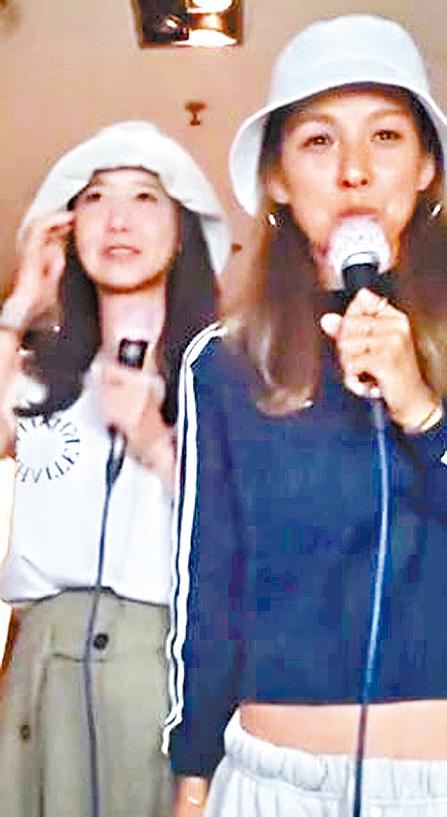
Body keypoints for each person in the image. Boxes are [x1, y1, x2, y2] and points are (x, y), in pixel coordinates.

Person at [165, 14, 447, 817]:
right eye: (318, 142)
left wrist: (420, 409)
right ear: (278, 179)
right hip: (273, 779)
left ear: (425, 166)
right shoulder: (225, 362)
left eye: (385, 136)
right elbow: (207, 585)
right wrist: (192, 777)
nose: (354, 171)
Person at [0, 119, 229, 817]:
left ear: (182, 230)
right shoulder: (36, 372)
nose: (118, 219)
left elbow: (257, 536)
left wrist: (155, 440)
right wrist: (19, 309)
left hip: (160, 667)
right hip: (38, 667)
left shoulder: (227, 376)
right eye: (95, 198)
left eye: (144, 197)